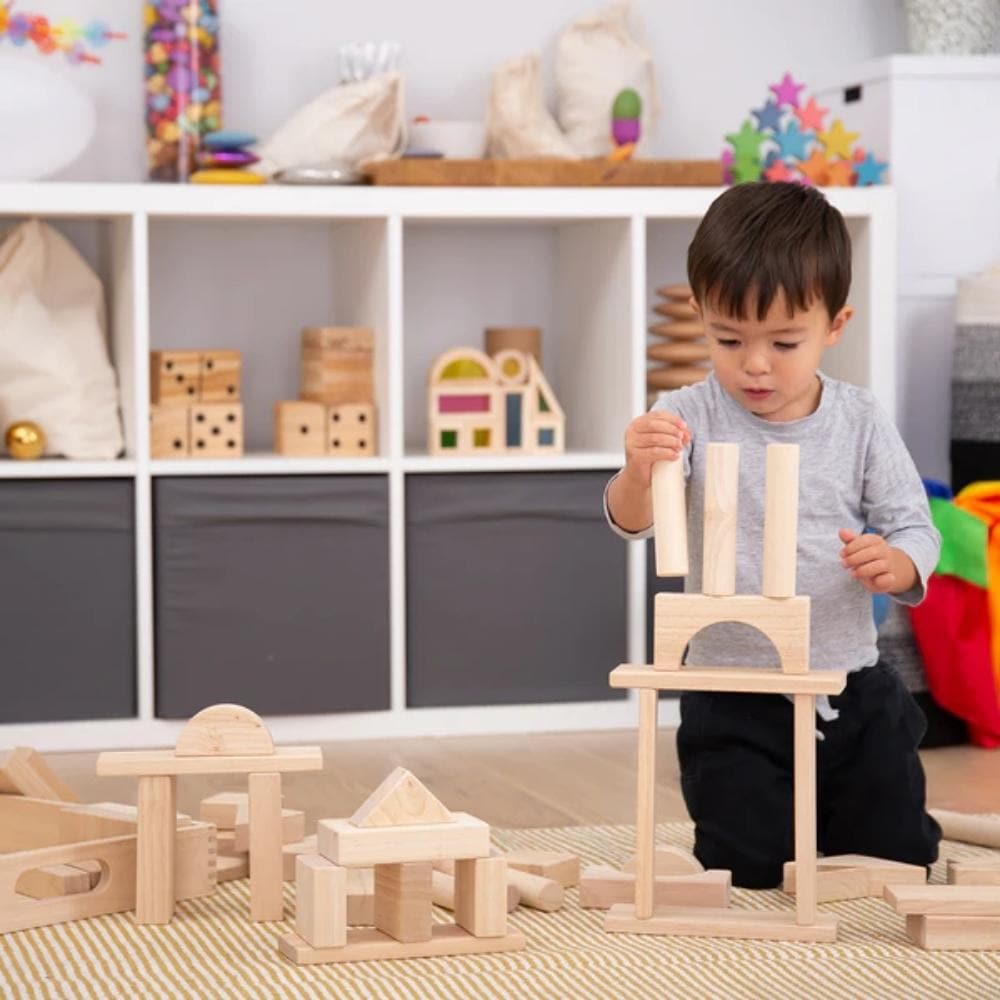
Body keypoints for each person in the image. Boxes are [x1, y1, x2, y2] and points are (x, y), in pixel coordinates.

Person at [605, 181, 942, 888]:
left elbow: (913, 521)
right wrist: (638, 471)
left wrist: (901, 564)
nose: (755, 364)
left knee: (897, 856)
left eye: (785, 342)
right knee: (745, 866)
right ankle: (779, 827)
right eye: (728, 339)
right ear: (699, 315)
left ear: (835, 324)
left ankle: (862, 819)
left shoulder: (859, 419)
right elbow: (633, 523)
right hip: (731, 688)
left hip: (844, 680)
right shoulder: (685, 412)